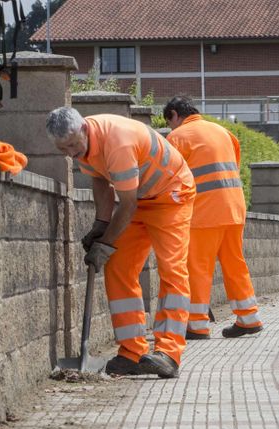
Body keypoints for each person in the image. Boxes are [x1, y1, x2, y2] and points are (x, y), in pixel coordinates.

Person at [46, 107, 196, 378]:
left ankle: (169, 354)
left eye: (71, 146)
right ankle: (132, 352)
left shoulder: (117, 140)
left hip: (170, 193)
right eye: (62, 149)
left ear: (83, 129)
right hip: (139, 198)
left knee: (171, 268)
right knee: (118, 267)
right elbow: (101, 181)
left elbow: (127, 204)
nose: (69, 153)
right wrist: (100, 225)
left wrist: (105, 243)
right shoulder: (83, 145)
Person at [163, 96, 263, 339]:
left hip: (204, 213)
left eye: (170, 121)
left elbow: (170, 179)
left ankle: (196, 325)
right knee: (235, 263)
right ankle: (249, 317)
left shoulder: (176, 138)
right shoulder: (223, 132)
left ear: (175, 114)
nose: (171, 127)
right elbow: (233, 168)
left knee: (197, 267)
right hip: (234, 208)